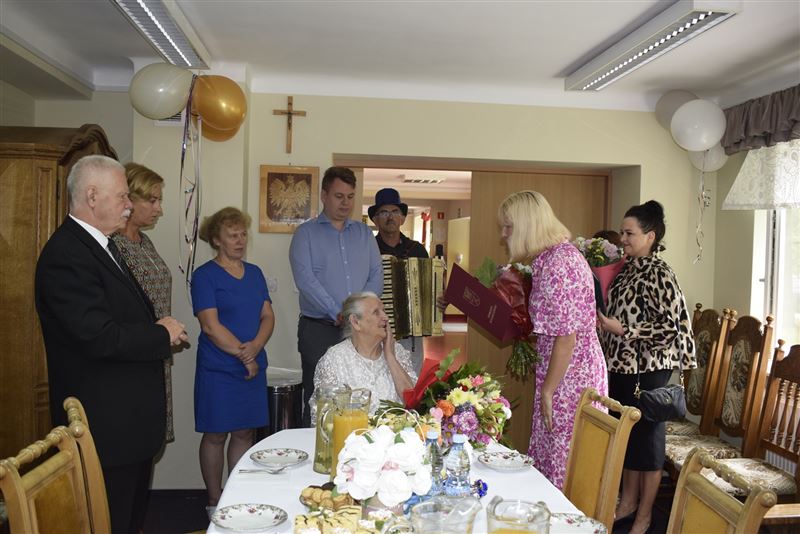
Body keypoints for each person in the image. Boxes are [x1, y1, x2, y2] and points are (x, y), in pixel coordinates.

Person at [35, 155, 187, 534]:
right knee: (107, 522)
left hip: (127, 428)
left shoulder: (103, 245)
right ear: (91, 196)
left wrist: (156, 329)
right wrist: (160, 334)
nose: (129, 205)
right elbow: (98, 337)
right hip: (105, 429)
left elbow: (123, 318)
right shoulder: (66, 255)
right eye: (122, 196)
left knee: (127, 520)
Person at [498, 190, 608, 489]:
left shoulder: (560, 264)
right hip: (563, 372)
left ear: (527, 226)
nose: (504, 234)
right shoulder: (550, 259)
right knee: (552, 456)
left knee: (565, 462)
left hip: (571, 377)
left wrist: (548, 391)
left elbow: (567, 338)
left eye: (508, 226)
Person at [598, 200, 695, 534]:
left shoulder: (659, 272)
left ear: (650, 236)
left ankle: (645, 515)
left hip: (648, 371)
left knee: (649, 445)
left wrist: (625, 330)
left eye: (629, 233)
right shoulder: (626, 268)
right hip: (620, 367)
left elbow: (671, 328)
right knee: (628, 439)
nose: (622, 239)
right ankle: (627, 503)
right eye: (622, 232)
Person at [191, 206, 275, 512]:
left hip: (251, 366)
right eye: (232, 235)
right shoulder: (204, 276)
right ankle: (215, 501)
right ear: (217, 240)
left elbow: (267, 316)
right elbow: (210, 327)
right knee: (215, 434)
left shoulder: (255, 273)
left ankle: (237, 496)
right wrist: (245, 355)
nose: (240, 241)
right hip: (219, 369)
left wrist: (256, 346)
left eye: (243, 234)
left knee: (244, 432)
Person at [289, 166, 383, 425]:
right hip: (319, 330)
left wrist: (360, 314)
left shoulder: (364, 234)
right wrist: (339, 312)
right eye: (339, 196)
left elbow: (376, 275)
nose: (345, 203)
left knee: (360, 394)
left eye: (350, 197)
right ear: (324, 195)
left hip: (360, 329)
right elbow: (305, 280)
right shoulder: (305, 234)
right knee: (319, 398)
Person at [111, 163, 175, 443]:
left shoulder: (144, 242)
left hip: (156, 351)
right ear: (129, 198)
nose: (159, 209)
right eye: (152, 200)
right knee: (131, 435)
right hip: (131, 356)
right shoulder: (113, 245)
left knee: (150, 435)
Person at [311, 292, 417, 417]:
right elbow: (323, 416)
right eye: (376, 312)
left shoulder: (398, 352)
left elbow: (414, 404)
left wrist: (390, 357)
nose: (385, 317)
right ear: (355, 322)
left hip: (397, 429)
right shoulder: (334, 359)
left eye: (384, 311)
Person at [368, 187, 428, 374]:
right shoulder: (368, 249)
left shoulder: (417, 250)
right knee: (379, 375)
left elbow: (430, 289)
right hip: (376, 327)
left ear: (402, 218)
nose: (390, 217)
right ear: (375, 219)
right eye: (384, 212)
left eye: (395, 211)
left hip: (411, 331)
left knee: (411, 377)